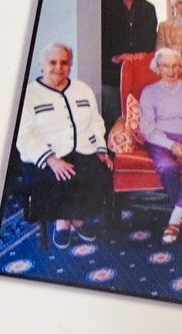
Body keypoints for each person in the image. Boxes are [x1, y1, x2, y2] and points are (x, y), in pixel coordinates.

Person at [14, 43, 112, 247]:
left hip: (83, 149)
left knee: (94, 172)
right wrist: (50, 159)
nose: (59, 67)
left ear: (70, 65)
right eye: (52, 62)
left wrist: (100, 150)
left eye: (64, 62)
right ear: (42, 64)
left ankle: (76, 217)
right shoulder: (29, 94)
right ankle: (63, 222)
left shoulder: (82, 89)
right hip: (46, 154)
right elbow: (22, 136)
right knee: (58, 176)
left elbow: (96, 122)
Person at [137, 47, 182, 244]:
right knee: (166, 166)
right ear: (157, 68)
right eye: (166, 66)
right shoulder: (149, 92)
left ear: (181, 67)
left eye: (175, 66)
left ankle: (175, 217)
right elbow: (147, 129)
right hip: (161, 139)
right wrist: (171, 145)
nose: (171, 70)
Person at [100, 0, 158, 125]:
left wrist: (142, 55)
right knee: (111, 121)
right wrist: (116, 57)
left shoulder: (148, 8)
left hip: (138, 74)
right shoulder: (101, 2)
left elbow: (151, 40)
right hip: (110, 74)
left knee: (138, 120)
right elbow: (94, 38)